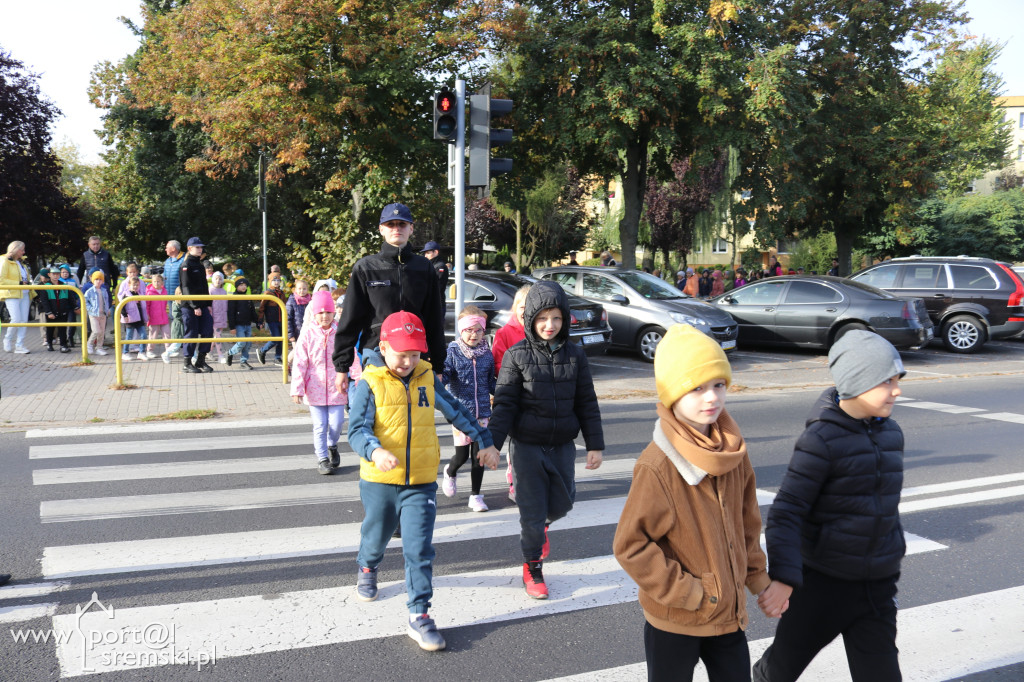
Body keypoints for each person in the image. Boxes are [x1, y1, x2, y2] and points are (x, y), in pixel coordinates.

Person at [613, 324, 772, 682]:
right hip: (676, 620)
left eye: (718, 385)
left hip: (729, 618)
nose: (711, 397)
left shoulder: (732, 452)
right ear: (672, 395)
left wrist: (757, 578)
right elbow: (630, 545)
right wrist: (690, 592)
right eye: (696, 388)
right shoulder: (657, 465)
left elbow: (747, 524)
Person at [752, 330, 908, 682]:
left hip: (876, 586)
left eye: (898, 379)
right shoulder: (821, 440)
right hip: (823, 586)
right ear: (857, 382)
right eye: (887, 381)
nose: (897, 389)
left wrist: (891, 552)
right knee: (779, 671)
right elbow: (786, 513)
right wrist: (784, 579)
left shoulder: (891, 433)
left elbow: (882, 506)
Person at [347, 311, 500, 651]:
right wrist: (374, 452)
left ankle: (420, 614)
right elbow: (356, 431)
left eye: (415, 354)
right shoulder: (369, 383)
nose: (408, 361)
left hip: (420, 480)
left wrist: (484, 441)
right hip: (379, 479)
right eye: (401, 354)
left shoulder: (427, 376)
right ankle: (368, 566)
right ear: (384, 348)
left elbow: (457, 411)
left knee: (419, 549)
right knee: (377, 533)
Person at [488, 281, 604, 599]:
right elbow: (505, 404)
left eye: (555, 318)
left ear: (564, 318)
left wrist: (595, 444)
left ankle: (543, 528)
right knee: (532, 512)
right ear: (530, 320)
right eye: (541, 318)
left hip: (562, 446)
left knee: (562, 503)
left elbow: (586, 403)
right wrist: (492, 444)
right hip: (526, 447)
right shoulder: (516, 355)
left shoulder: (576, 356)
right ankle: (533, 567)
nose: (549, 325)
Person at [332, 203, 446, 395]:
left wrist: (438, 365)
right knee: (380, 416)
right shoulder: (365, 267)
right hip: (377, 353)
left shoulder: (424, 268)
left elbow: (434, 319)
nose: (396, 229)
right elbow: (350, 320)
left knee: (413, 417)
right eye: (391, 224)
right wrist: (342, 367)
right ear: (381, 229)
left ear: (411, 228)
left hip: (415, 355)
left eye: (402, 224)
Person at [291, 290, 362, 475]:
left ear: (334, 312)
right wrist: (297, 388)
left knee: (337, 423)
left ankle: (332, 445)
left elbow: (351, 356)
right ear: (315, 314)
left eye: (328, 312)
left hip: (337, 387)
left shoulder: (340, 332)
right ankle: (322, 458)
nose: (324, 316)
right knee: (320, 425)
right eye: (321, 312)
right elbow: (300, 362)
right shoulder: (307, 333)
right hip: (314, 387)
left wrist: (359, 377)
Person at [440, 306, 497, 512]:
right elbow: (444, 377)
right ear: (461, 330)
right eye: (469, 330)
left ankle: (476, 496)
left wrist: (503, 391)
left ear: (483, 332)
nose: (474, 334)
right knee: (462, 456)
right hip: (461, 413)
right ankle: (450, 471)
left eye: (478, 330)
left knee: (479, 457)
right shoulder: (453, 352)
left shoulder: (487, 355)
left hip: (483, 412)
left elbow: (490, 383)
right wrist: (437, 378)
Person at [491, 283, 531, 503]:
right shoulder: (504, 333)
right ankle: (514, 480)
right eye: (521, 306)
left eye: (530, 306)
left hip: (537, 396)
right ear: (515, 307)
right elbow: (498, 362)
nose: (525, 311)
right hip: (514, 393)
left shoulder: (541, 331)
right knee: (517, 440)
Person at [179, 237, 215, 373]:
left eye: (201, 247)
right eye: (197, 247)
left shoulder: (200, 264)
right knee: (191, 333)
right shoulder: (185, 265)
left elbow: (204, 287)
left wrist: (208, 304)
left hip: (202, 305)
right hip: (189, 306)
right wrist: (195, 306)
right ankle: (187, 363)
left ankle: (201, 360)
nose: (200, 249)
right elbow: (186, 287)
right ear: (190, 248)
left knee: (207, 331)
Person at [2, 241, 36, 353]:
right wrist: (19, 283)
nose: (24, 252)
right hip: (12, 293)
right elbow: (1, 279)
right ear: (15, 249)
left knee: (24, 321)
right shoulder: (4, 260)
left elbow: (26, 278)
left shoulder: (22, 262)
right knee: (16, 319)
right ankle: (7, 339)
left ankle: (19, 345)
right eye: (22, 250)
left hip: (25, 294)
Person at [38, 268, 76, 353]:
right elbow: (44, 301)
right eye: (53, 274)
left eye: (57, 274)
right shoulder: (46, 287)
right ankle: (49, 344)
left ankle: (63, 345)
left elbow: (70, 298)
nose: (56, 276)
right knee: (50, 329)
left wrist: (76, 307)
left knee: (62, 329)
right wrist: (49, 312)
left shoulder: (64, 285)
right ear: (49, 275)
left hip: (62, 311)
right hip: (52, 311)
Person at [225, 277, 257, 369]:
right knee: (242, 342)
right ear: (237, 286)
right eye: (241, 285)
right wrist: (232, 327)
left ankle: (243, 361)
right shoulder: (234, 297)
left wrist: (258, 322)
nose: (243, 287)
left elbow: (252, 311)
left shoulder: (248, 297)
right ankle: (230, 353)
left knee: (248, 344)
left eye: (245, 285)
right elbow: (230, 313)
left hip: (248, 324)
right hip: (239, 325)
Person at [162, 240, 187, 359]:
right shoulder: (167, 261)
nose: (165, 249)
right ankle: (177, 343)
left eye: (167, 247)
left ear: (173, 249)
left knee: (183, 319)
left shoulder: (184, 259)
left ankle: (181, 342)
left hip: (181, 296)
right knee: (174, 319)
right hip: (170, 296)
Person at [256, 273, 287, 365]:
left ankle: (277, 357)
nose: (276, 282)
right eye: (274, 280)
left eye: (278, 280)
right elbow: (261, 308)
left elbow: (285, 305)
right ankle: (262, 350)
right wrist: (260, 320)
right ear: (270, 281)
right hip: (272, 320)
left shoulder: (281, 293)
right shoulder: (268, 293)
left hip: (281, 320)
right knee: (276, 338)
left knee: (282, 339)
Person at [119, 275, 149, 361]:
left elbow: (143, 306)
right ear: (129, 285)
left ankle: (142, 352)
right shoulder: (126, 295)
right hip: (130, 319)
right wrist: (125, 316)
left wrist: (145, 316)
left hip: (139, 319)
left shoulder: (139, 294)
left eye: (137, 285)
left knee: (143, 335)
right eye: (133, 285)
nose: (135, 287)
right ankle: (125, 352)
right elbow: (122, 306)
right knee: (129, 336)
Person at [84, 271, 111, 356]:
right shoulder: (90, 291)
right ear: (93, 280)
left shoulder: (104, 290)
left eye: (100, 279)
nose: (98, 281)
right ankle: (89, 344)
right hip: (93, 314)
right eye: (96, 279)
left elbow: (106, 301)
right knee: (96, 331)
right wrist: (90, 309)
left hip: (103, 314)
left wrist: (107, 309)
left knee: (102, 332)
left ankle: (99, 347)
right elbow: (85, 302)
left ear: (103, 281)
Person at [146, 273, 170, 358]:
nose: (156, 283)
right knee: (153, 335)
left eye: (158, 281)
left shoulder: (164, 291)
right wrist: (147, 315)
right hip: (153, 317)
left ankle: (168, 350)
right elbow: (147, 305)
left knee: (167, 334)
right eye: (154, 281)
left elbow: (165, 303)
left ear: (162, 282)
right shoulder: (149, 292)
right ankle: (150, 350)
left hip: (163, 316)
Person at [286, 279, 311, 357]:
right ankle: (287, 365)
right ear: (295, 289)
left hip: (309, 332)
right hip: (297, 332)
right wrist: (291, 335)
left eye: (304, 289)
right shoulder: (291, 301)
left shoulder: (311, 301)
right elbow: (288, 319)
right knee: (297, 352)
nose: (302, 291)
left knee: (307, 352)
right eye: (299, 288)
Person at [58, 265, 80, 347]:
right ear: (60, 273)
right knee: (62, 323)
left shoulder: (73, 281)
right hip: (61, 306)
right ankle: (62, 339)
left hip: (71, 306)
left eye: (67, 272)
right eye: (63, 272)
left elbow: (77, 292)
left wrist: (77, 303)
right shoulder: (58, 281)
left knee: (72, 322)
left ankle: (70, 338)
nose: (65, 274)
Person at [210, 272, 229, 363]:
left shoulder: (224, 291)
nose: (218, 281)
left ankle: (209, 351)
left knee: (216, 336)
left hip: (222, 316)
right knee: (218, 336)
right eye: (216, 278)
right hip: (213, 317)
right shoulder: (210, 290)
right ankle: (220, 355)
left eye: (220, 279)